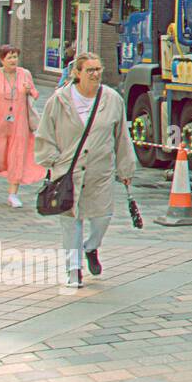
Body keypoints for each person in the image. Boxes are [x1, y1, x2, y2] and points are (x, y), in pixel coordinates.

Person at [34, 52, 137, 287]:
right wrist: (53, 160)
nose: (95, 74)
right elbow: (44, 134)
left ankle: (91, 247)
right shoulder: (59, 101)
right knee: (71, 220)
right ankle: (73, 270)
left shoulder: (112, 100)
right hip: (68, 171)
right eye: (90, 70)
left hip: (100, 171)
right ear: (77, 73)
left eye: (98, 69)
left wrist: (125, 169)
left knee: (102, 217)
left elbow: (121, 137)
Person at [0, 45, 46, 208]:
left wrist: (30, 90)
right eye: (9, 57)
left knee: (17, 157)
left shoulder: (24, 74)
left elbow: (35, 95)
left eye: (15, 56)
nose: (13, 60)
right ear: (2, 59)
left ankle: (13, 194)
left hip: (19, 123)